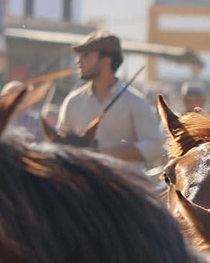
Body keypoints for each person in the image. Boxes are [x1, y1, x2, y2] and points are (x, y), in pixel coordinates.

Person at [56, 31, 165, 167]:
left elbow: (154, 146)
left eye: (86, 55)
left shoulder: (135, 102)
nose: (78, 60)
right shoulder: (73, 101)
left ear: (106, 60)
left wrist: (103, 154)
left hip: (125, 185)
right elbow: (58, 143)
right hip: (84, 185)